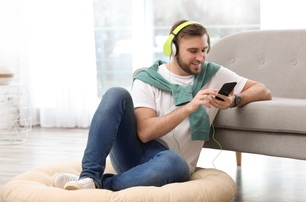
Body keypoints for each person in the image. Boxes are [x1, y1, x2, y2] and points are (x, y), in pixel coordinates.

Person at [52, 20, 272, 191]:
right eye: (193, 51)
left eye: (204, 50)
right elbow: (145, 133)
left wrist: (235, 100)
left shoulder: (214, 73)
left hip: (169, 163)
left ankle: (99, 184)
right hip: (134, 154)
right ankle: (89, 175)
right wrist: (189, 107)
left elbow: (263, 90)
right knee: (116, 94)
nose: (201, 57)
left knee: (176, 163)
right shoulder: (148, 79)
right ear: (174, 50)